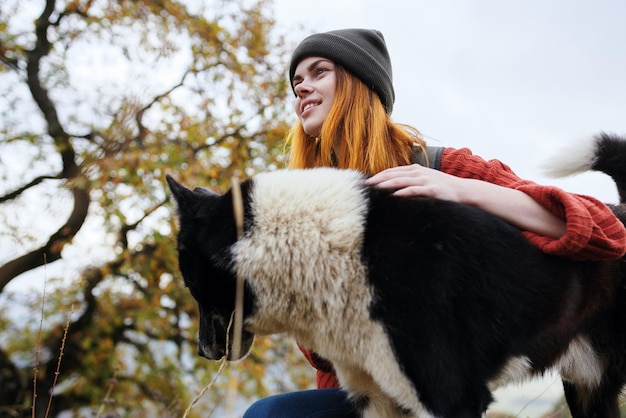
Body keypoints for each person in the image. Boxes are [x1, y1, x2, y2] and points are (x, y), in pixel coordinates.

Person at [242, 28, 626, 418]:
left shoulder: (440, 168)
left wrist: (459, 189)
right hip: (372, 398)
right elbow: (322, 359)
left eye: (318, 72)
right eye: (296, 82)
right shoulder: (311, 209)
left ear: (361, 82)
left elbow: (606, 231)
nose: (301, 89)